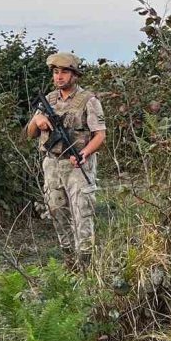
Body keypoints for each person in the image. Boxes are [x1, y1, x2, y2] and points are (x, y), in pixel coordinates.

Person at [26, 52, 107, 266]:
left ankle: (86, 264)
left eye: (64, 72)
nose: (59, 77)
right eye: (55, 72)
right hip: (52, 163)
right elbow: (30, 133)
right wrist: (38, 119)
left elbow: (100, 135)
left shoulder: (88, 100)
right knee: (56, 210)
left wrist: (84, 154)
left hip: (78, 164)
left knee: (82, 212)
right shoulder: (48, 100)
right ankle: (69, 258)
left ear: (74, 75)